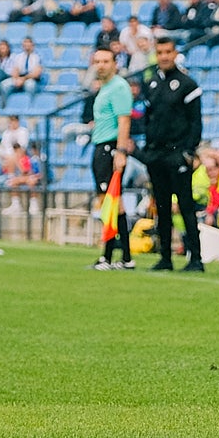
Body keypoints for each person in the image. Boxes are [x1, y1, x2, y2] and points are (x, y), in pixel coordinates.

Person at [141, 36, 203, 272]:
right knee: (162, 208)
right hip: (156, 155)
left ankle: (195, 258)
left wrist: (189, 152)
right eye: (160, 52)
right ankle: (165, 257)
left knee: (186, 206)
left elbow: (195, 122)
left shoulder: (188, 84)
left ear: (175, 53)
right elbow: (149, 119)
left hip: (178, 155)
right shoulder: (152, 83)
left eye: (168, 52)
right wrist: (148, 150)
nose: (164, 56)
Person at [89, 46, 134, 270]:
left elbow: (124, 120)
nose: (101, 65)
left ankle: (108, 256)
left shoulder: (118, 87)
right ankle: (125, 256)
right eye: (97, 61)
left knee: (111, 200)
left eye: (106, 61)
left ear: (115, 63)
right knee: (114, 202)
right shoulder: (105, 88)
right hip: (101, 145)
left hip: (110, 148)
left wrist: (121, 151)